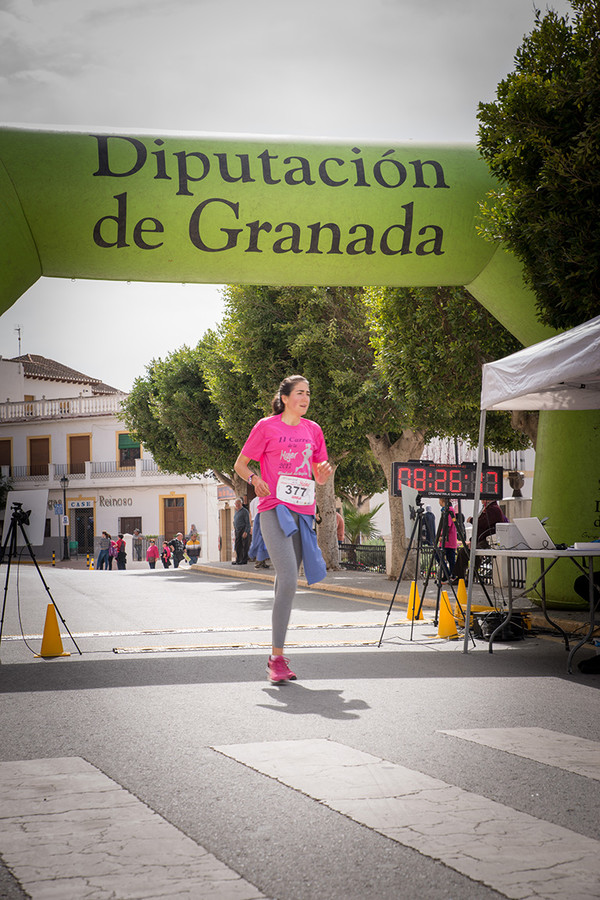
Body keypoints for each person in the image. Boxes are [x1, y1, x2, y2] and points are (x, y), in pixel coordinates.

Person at [234, 374, 333, 684]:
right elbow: (240, 464)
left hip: (304, 512)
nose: (305, 397)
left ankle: (277, 653)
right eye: (300, 392)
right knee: (289, 578)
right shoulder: (266, 426)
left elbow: (318, 474)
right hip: (274, 509)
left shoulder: (313, 430)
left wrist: (324, 473)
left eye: (308, 393)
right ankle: (276, 658)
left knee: (287, 580)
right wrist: (255, 480)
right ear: (286, 397)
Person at [451, 498, 506, 583]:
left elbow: (483, 523)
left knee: (473, 552)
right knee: (464, 552)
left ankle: (468, 578)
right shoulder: (488, 509)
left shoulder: (493, 509)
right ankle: (461, 577)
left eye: (483, 499)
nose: (482, 501)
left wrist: (472, 520)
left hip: (488, 540)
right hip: (481, 539)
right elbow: (480, 528)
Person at [437, 498, 457, 581]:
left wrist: (443, 536)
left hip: (448, 540)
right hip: (449, 540)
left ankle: (448, 574)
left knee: (438, 555)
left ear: (442, 500)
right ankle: (451, 575)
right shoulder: (448, 510)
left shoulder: (449, 511)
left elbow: (447, 525)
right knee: (450, 558)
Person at [232, 498, 251, 565]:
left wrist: (246, 531)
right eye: (236, 504)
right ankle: (238, 559)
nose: (237, 505)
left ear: (241, 504)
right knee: (237, 546)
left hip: (243, 530)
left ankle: (244, 560)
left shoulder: (245, 511)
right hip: (237, 530)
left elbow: (248, 523)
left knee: (244, 546)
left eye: (238, 504)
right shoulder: (236, 511)